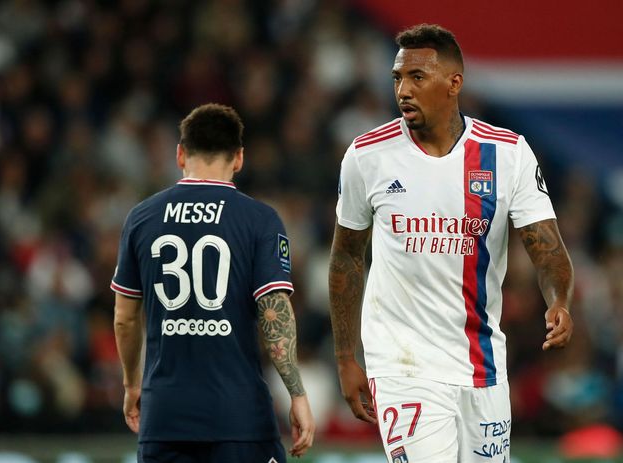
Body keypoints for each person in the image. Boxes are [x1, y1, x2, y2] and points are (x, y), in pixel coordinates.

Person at [329, 24, 574, 463]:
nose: (403, 89)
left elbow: (547, 247)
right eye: (397, 78)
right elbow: (347, 257)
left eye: (417, 77)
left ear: (454, 83)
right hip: (403, 366)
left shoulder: (508, 154)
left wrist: (559, 300)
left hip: (483, 365)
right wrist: (346, 356)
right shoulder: (367, 156)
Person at [112, 103, 315, 462]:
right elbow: (274, 312)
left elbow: (125, 319)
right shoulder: (260, 220)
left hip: (164, 417)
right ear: (239, 158)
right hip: (239, 418)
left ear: (180, 154)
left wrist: (131, 384)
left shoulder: (141, 218)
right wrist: (296, 393)